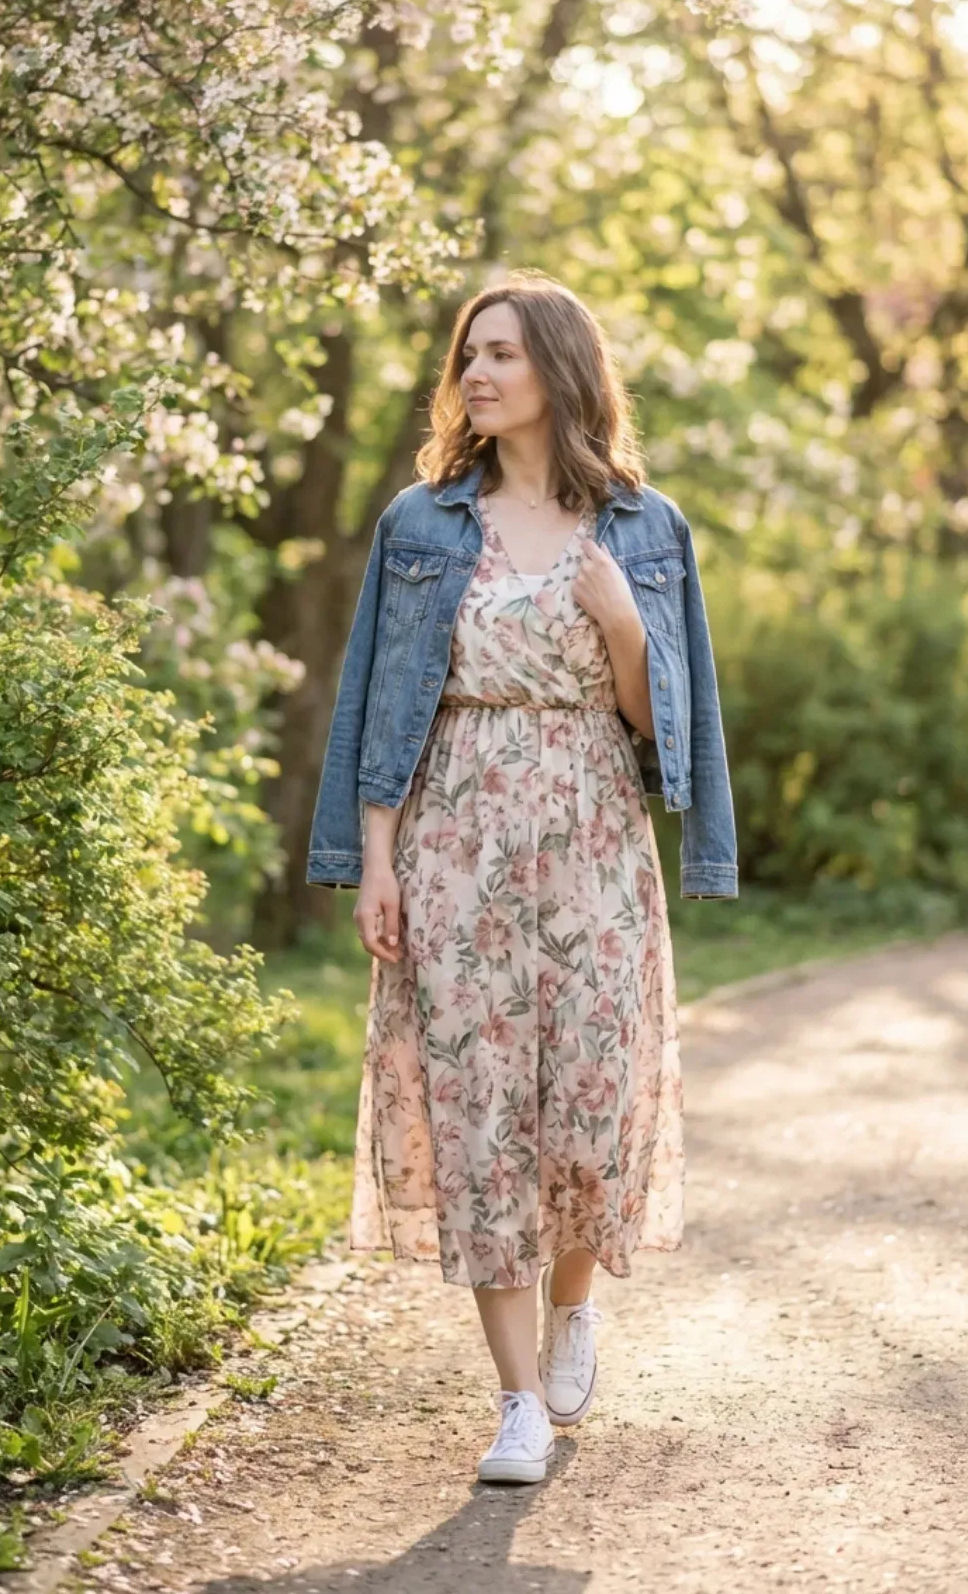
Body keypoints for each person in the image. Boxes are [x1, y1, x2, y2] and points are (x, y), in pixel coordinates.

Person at [307, 272, 738, 1485]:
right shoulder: (421, 524)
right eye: (467, 357)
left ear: (559, 368)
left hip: (597, 835)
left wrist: (624, 627)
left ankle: (576, 1307)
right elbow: (377, 703)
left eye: (500, 354)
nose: (477, 376)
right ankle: (515, 1407)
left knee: (592, 1101)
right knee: (480, 1111)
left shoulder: (645, 529)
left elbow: (670, 729)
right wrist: (375, 861)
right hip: (455, 836)